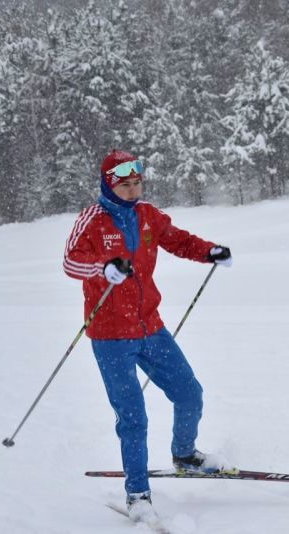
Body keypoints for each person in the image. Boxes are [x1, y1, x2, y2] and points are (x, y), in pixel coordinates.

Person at [63, 149, 233, 523]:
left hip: (150, 327)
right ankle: (137, 494)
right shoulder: (92, 220)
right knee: (134, 419)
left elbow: (178, 240)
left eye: (137, 182)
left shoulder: (147, 215)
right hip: (110, 337)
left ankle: (185, 455)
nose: (133, 190)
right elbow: (70, 263)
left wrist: (210, 252)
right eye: (125, 184)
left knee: (190, 393)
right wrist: (102, 268)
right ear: (109, 185)